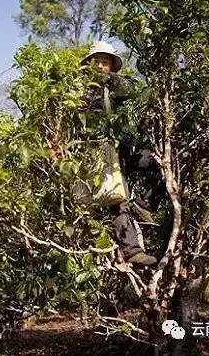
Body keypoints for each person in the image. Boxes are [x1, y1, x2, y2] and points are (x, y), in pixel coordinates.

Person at [80, 41, 158, 266]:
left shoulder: (114, 86)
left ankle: (144, 204)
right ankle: (131, 250)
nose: (102, 66)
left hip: (123, 151)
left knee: (158, 164)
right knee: (117, 200)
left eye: (106, 62)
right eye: (98, 62)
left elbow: (132, 90)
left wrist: (109, 79)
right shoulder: (82, 92)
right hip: (101, 154)